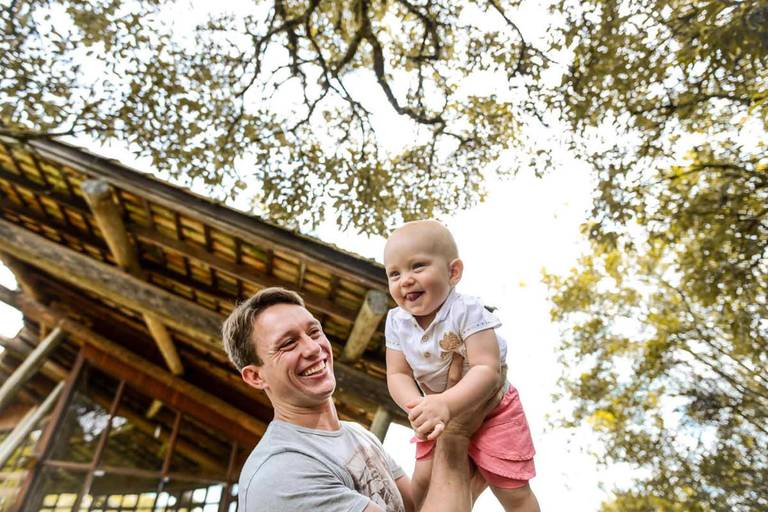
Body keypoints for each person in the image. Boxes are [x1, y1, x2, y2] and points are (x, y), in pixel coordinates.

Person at [221, 286, 488, 511]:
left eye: (314, 332)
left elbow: (417, 505)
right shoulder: (281, 472)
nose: (314, 348)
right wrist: (456, 433)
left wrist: (478, 463)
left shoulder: (358, 435)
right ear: (256, 377)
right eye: (288, 343)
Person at [383, 220, 540, 512]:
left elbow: (487, 369)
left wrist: (446, 403)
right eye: (395, 273)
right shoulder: (396, 322)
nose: (405, 279)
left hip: (493, 410)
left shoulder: (467, 311)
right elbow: (397, 373)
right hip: (435, 411)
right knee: (421, 482)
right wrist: (417, 406)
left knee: (512, 490)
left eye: (417, 267)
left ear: (453, 272)